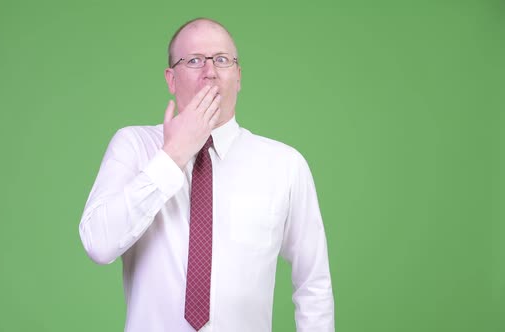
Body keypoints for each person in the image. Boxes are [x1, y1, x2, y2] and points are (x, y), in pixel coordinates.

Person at [79, 18, 335, 332]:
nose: (210, 71)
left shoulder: (284, 164)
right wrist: (172, 156)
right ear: (171, 79)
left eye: (222, 60)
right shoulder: (134, 146)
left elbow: (313, 285)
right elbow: (99, 243)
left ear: (238, 77)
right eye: (195, 60)